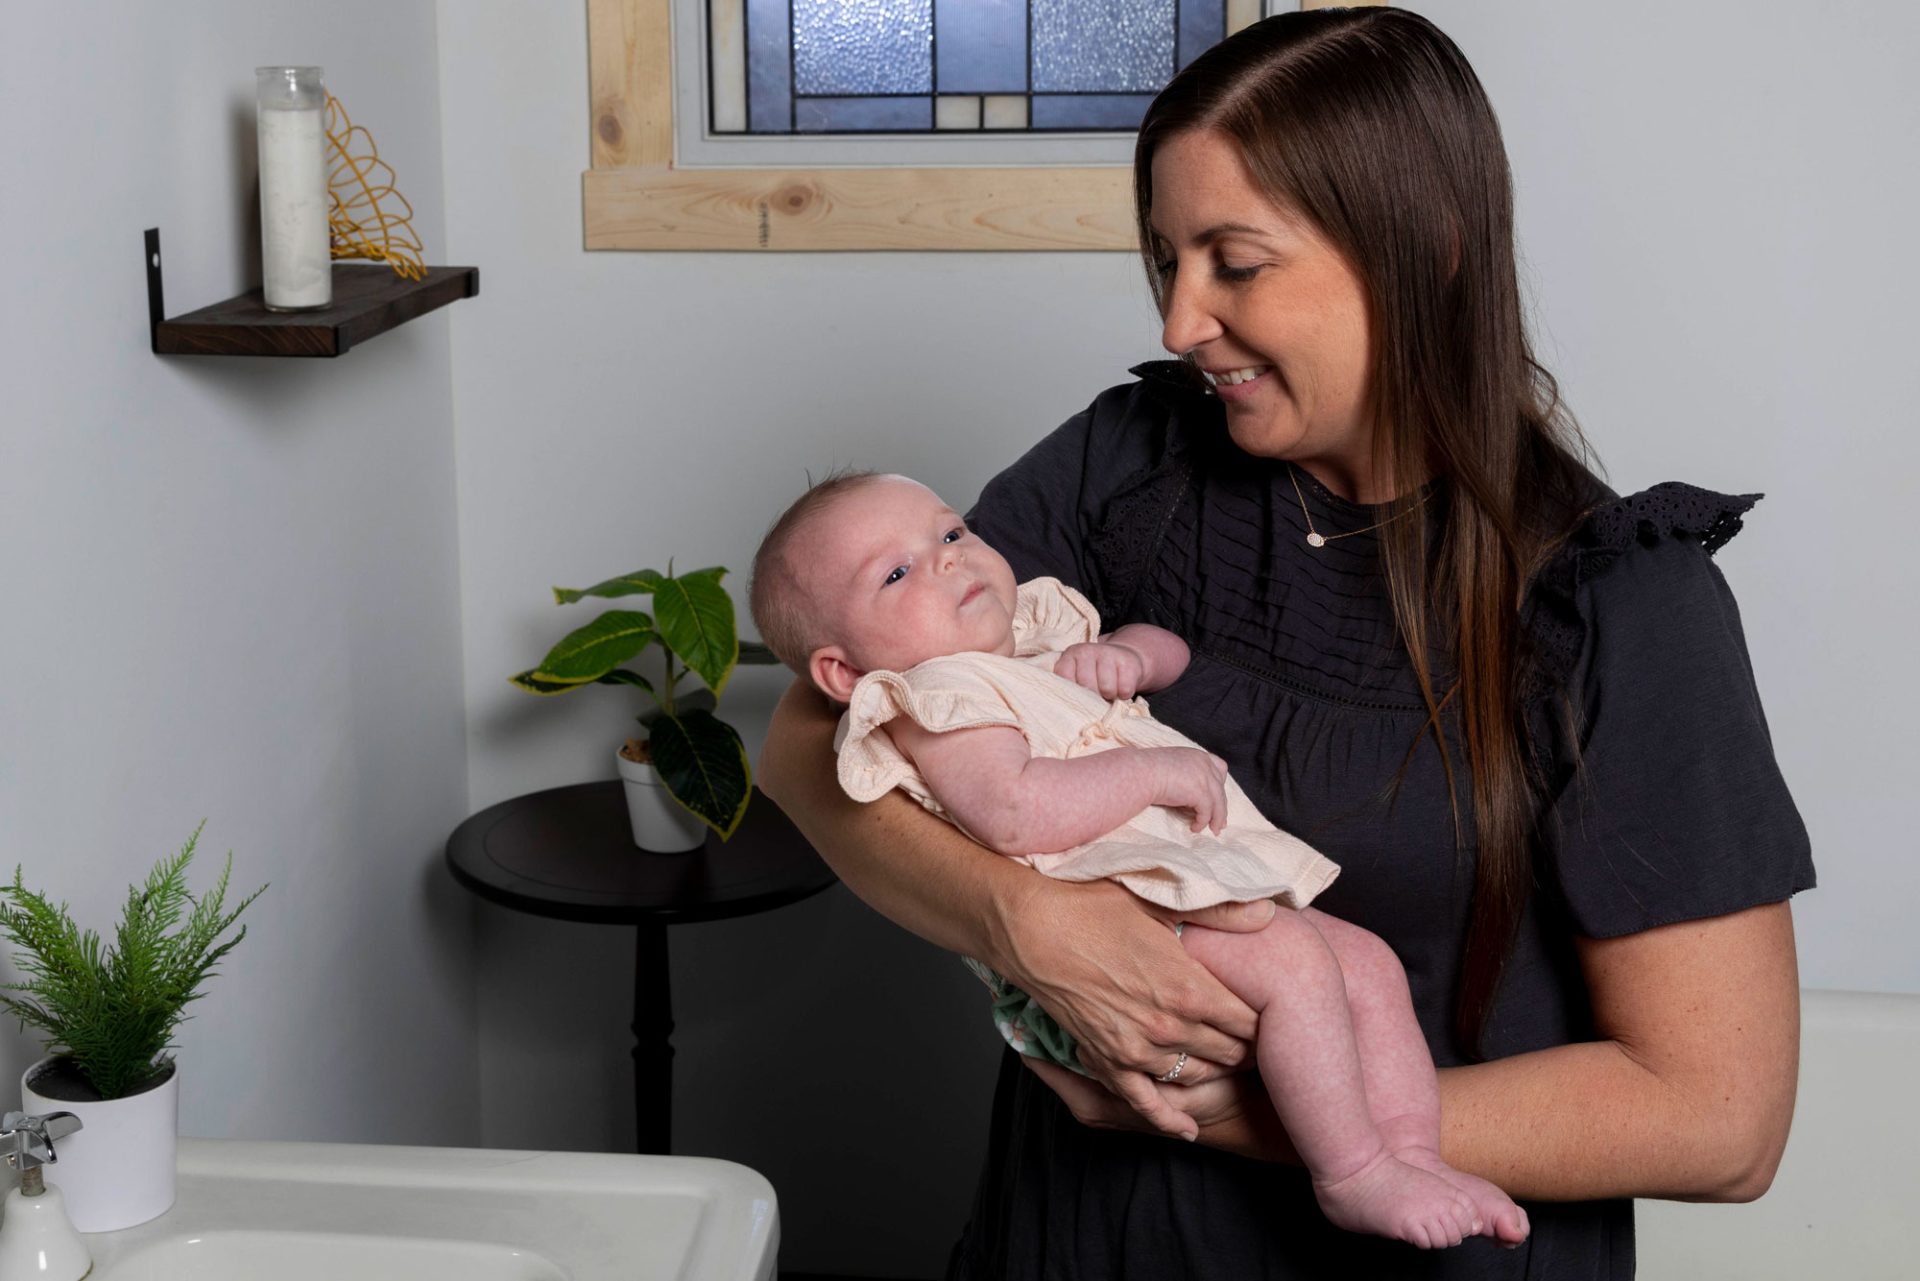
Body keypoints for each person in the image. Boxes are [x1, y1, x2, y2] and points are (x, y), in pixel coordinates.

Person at [757, 9, 1814, 1278]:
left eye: (1234, 262)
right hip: (1078, 1240)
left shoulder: (1618, 606)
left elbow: (1720, 1122)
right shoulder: (1128, 468)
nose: (1179, 320)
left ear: (1425, 250)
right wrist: (1024, 923)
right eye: (1164, 261)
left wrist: (1274, 1121)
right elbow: (812, 736)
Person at [749, 471, 1529, 1249]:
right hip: (1129, 911)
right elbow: (1016, 810)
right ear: (844, 674)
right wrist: (1153, 772)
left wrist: (1128, 655)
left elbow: (1171, 651)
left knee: (1370, 966)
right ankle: (1354, 1172)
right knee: (1301, 973)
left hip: (1181, 883)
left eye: (950, 532)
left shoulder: (1028, 635)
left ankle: (1416, 1154)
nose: (947, 559)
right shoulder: (941, 696)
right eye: (895, 573)